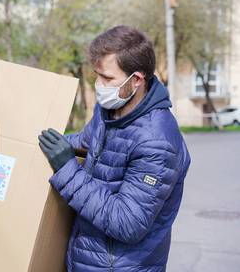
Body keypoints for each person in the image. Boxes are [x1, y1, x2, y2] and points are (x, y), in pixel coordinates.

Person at [38, 25, 191, 272]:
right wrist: (45, 141)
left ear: (137, 80)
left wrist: (66, 169)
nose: (99, 84)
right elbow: (85, 142)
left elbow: (127, 223)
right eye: (97, 75)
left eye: (107, 78)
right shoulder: (110, 110)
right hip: (87, 258)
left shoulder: (158, 143)